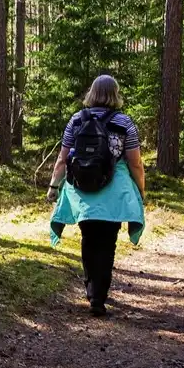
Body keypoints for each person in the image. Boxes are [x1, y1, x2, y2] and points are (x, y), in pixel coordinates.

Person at [46, 75, 146, 317]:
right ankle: (99, 297)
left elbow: (63, 158)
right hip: (115, 191)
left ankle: (91, 291)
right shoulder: (124, 122)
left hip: (82, 189)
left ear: (92, 92)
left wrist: (53, 186)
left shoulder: (76, 120)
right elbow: (135, 162)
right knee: (107, 243)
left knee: (88, 239)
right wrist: (140, 190)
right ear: (115, 94)